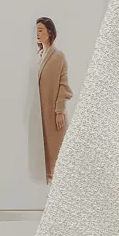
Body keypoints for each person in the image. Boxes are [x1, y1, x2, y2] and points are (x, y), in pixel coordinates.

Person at [35, 17, 72, 182]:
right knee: (46, 153)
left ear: (49, 32)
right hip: (42, 112)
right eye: (36, 30)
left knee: (58, 151)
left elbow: (63, 86)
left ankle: (62, 184)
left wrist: (59, 111)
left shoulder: (58, 56)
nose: (37, 34)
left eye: (40, 30)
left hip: (54, 113)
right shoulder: (40, 56)